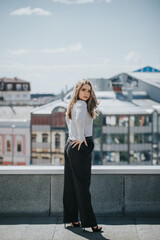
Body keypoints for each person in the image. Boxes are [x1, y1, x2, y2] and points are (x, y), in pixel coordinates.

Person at [63, 79, 102, 232]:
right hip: (80, 146)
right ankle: (91, 223)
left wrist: (74, 137)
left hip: (71, 145)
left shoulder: (73, 104)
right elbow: (78, 120)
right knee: (83, 186)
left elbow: (70, 121)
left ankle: (72, 219)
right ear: (77, 91)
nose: (86, 93)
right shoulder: (82, 104)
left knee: (71, 185)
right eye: (83, 90)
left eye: (88, 90)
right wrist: (81, 137)